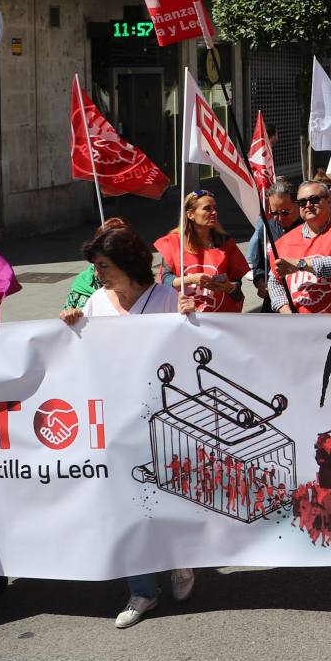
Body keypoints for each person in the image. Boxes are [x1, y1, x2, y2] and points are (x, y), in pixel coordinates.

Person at [58, 222, 197, 627]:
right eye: (96, 267)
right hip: (116, 419)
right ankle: (141, 590)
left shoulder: (168, 297)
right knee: (126, 503)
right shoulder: (97, 303)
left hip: (164, 415)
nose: (97, 274)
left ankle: (182, 559)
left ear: (126, 263)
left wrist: (193, 319)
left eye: (102, 266)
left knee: (171, 492)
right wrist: (72, 325)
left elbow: (194, 352)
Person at [272, 178, 331, 315]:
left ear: (329, 201)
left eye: (314, 199)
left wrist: (301, 264)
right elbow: (275, 281)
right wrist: (284, 309)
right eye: (302, 202)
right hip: (304, 328)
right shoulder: (284, 242)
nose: (308, 205)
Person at [153, 190, 249, 312]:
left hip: (220, 317)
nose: (214, 212)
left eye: (215, 208)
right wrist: (191, 279)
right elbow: (165, 280)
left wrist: (228, 287)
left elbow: (237, 286)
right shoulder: (172, 243)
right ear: (190, 215)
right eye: (207, 208)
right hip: (184, 314)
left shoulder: (225, 242)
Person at [243, 179, 298, 310]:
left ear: (297, 205)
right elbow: (259, 266)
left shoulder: (309, 227)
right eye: (274, 213)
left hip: (302, 298)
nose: (279, 218)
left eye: (285, 212)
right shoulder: (267, 228)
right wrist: (260, 281)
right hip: (274, 301)